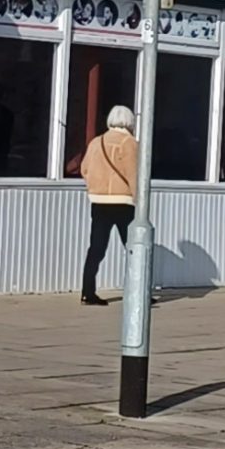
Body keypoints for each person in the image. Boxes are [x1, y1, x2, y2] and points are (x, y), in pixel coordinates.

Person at [75, 102, 139, 306]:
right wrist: (139, 199)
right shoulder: (129, 143)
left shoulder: (96, 142)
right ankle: (137, 292)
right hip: (123, 202)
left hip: (99, 201)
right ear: (129, 121)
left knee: (96, 248)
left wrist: (96, 187)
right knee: (134, 249)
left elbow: (84, 169)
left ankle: (87, 292)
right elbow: (133, 173)